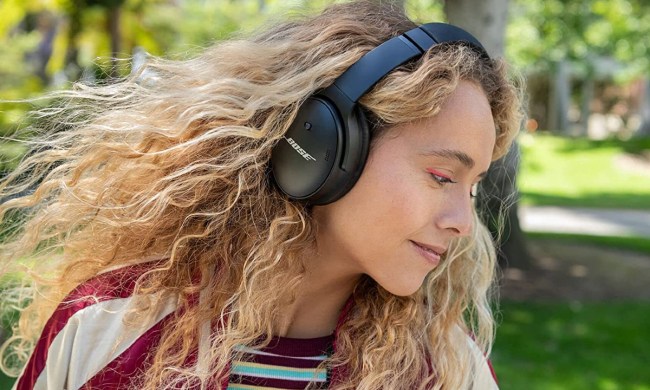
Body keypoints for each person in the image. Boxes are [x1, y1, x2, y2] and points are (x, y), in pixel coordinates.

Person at [0, 1, 523, 389]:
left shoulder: (449, 370)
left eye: (473, 189)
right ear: (320, 145)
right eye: (441, 176)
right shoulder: (102, 332)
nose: (463, 222)